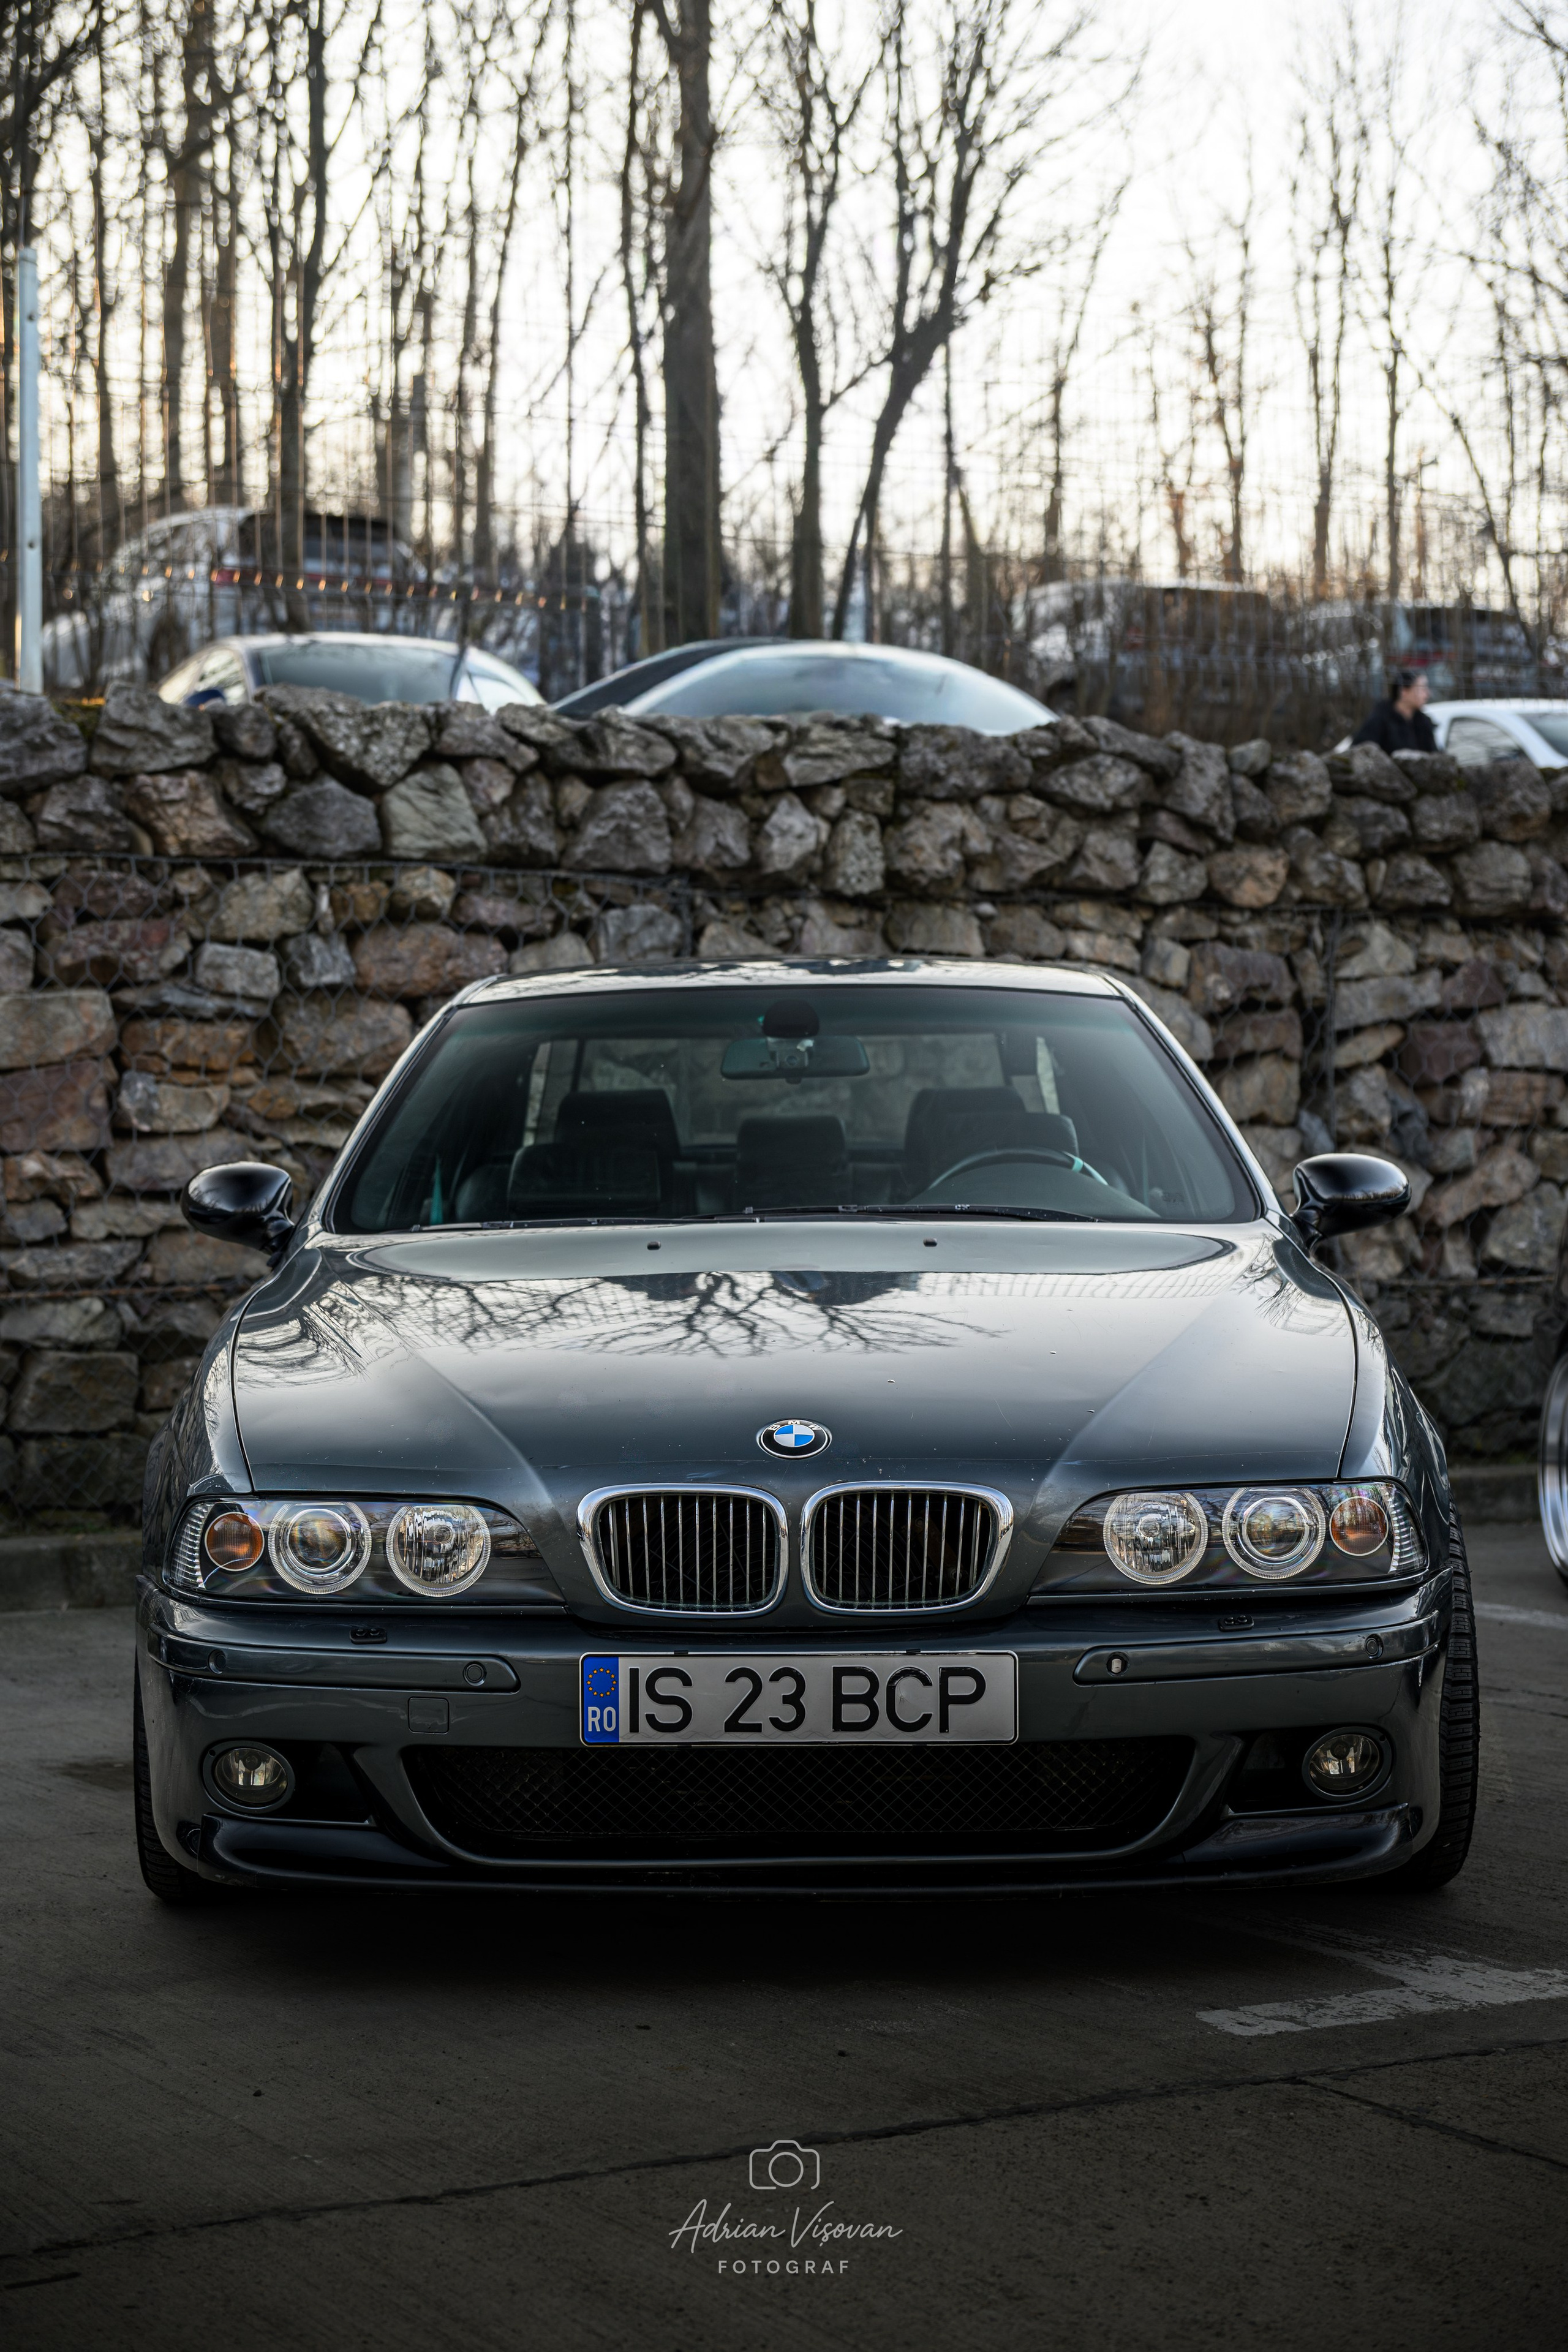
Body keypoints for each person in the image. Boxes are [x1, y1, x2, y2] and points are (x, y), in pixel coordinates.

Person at [1352, 668, 1437, 755]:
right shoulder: (1380, 719)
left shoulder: (1423, 723)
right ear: (1404, 691)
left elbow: (1435, 756)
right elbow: (1361, 752)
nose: (1427, 694)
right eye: (1422, 688)